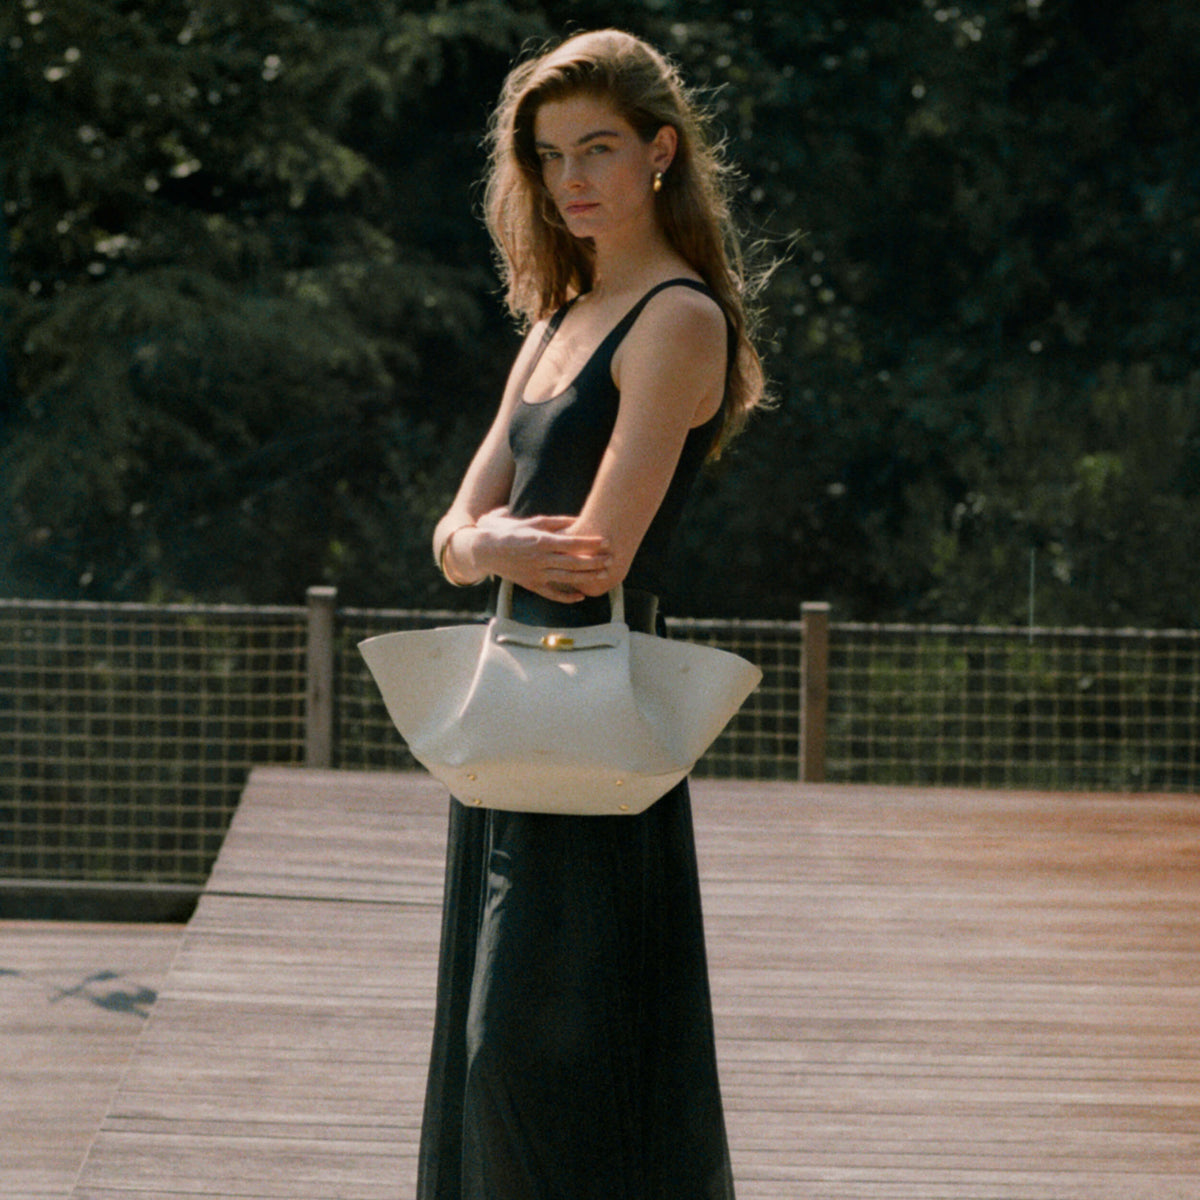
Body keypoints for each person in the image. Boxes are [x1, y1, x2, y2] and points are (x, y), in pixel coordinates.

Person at [419, 28, 768, 1200]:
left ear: (661, 152)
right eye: (550, 154)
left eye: (599, 148)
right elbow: (453, 535)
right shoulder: (556, 317)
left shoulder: (678, 318)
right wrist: (487, 543)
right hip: (515, 711)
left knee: (528, 1059)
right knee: (496, 1057)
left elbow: (590, 557)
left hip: (592, 715)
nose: (570, 178)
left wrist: (490, 544)